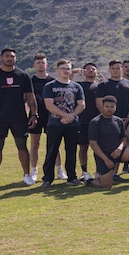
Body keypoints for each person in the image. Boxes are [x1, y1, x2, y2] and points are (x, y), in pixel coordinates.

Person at [0, 48, 37, 187]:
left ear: (15, 58)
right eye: (7, 56)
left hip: (19, 118)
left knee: (22, 146)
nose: (10, 58)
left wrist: (34, 115)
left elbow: (31, 97)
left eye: (12, 56)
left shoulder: (23, 75)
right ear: (1, 58)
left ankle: (27, 175)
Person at [40, 59, 85, 187]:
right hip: (55, 124)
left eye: (68, 69)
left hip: (72, 124)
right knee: (51, 151)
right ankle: (47, 178)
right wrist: (65, 115)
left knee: (71, 151)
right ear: (57, 70)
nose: (66, 71)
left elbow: (81, 104)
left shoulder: (76, 87)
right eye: (63, 68)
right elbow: (49, 105)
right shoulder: (50, 86)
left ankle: (72, 177)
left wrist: (72, 116)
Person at [87, 95, 129, 189]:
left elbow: (123, 138)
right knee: (107, 185)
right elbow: (93, 143)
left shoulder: (118, 121)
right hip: (104, 155)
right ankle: (89, 181)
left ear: (115, 108)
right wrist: (106, 159)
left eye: (112, 107)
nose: (109, 109)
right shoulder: (95, 122)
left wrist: (119, 149)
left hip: (118, 152)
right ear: (102, 107)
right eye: (107, 107)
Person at [27, 53, 56, 182]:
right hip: (35, 116)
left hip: (51, 115)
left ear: (46, 64)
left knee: (54, 143)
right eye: (38, 62)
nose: (40, 64)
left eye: (43, 62)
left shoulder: (52, 81)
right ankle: (34, 170)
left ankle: (59, 169)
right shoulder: (30, 81)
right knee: (34, 144)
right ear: (34, 65)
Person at [75, 62, 100, 182]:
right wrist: (74, 71)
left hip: (98, 122)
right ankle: (84, 171)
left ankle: (100, 171)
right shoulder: (78, 85)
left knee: (99, 148)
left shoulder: (100, 86)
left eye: (93, 69)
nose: (90, 70)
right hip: (83, 121)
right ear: (84, 72)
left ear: (97, 72)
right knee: (83, 147)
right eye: (88, 69)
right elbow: (66, 80)